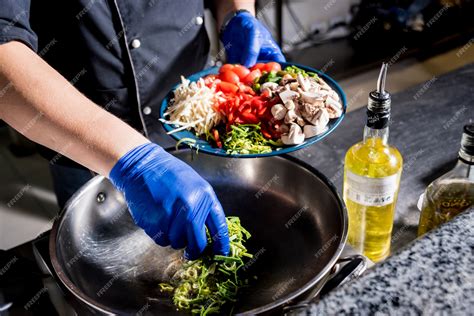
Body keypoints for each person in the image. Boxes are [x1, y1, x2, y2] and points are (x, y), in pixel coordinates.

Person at [0, 0, 284, 259]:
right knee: (102, 261)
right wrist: (134, 161)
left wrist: (236, 12)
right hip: (82, 137)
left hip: (193, 119)